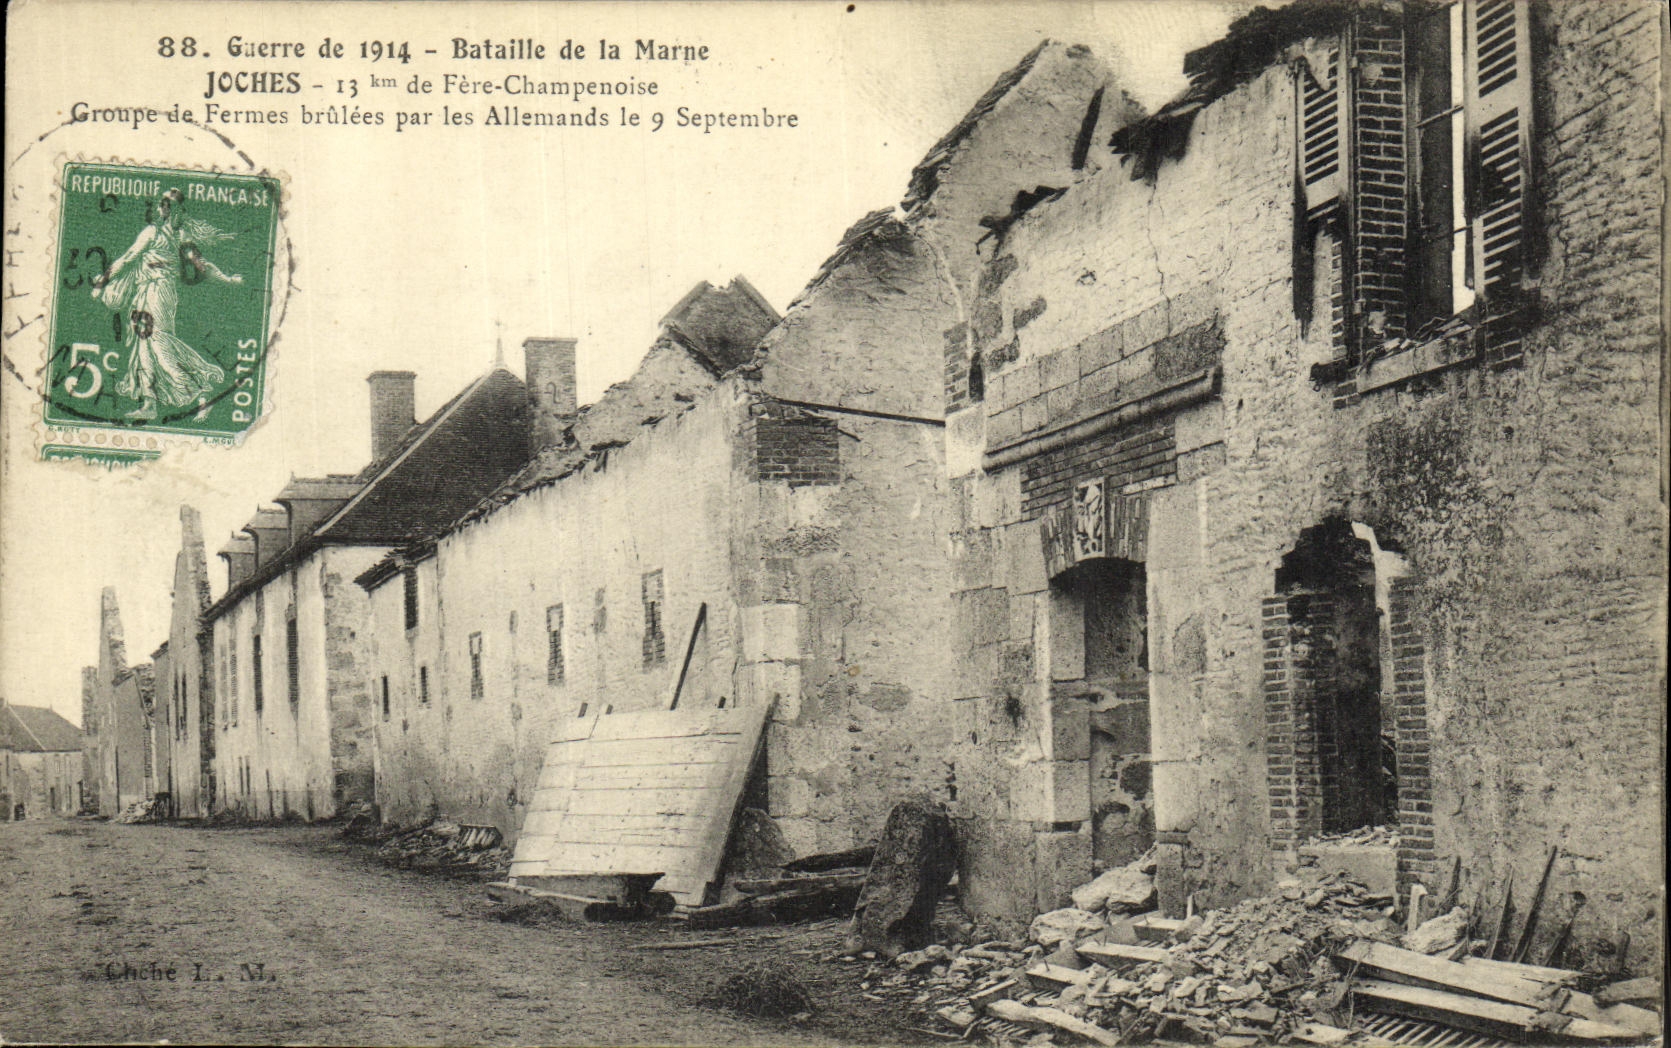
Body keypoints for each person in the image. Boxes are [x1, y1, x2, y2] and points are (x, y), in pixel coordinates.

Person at [91, 188, 242, 420]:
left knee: (159, 344)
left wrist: (227, 279)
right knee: (145, 348)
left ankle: (201, 393)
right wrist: (106, 278)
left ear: (173, 209)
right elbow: (131, 257)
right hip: (147, 294)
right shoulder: (164, 234)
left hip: (158, 293)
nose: (162, 209)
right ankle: (149, 403)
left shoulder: (168, 235)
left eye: (166, 205)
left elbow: (200, 265)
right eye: (162, 205)